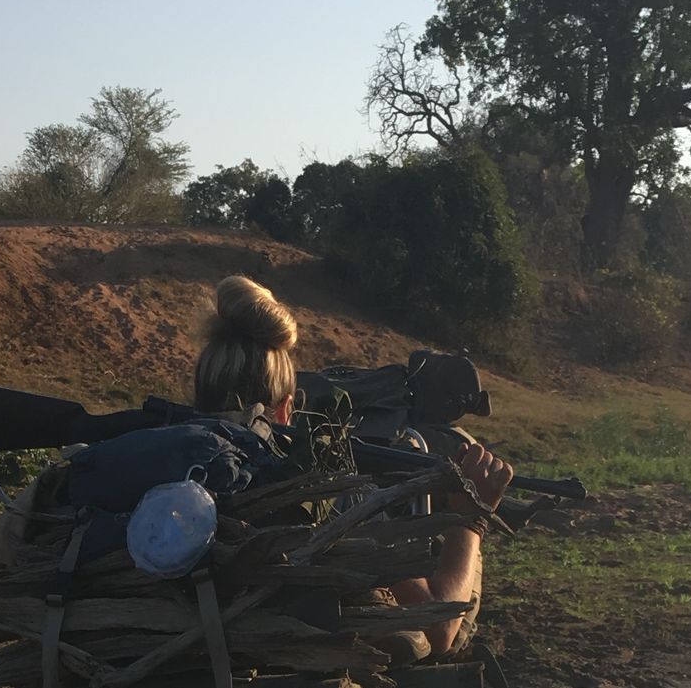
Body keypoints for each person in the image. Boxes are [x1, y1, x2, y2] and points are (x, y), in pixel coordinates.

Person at [193, 274, 514, 660]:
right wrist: (471, 519)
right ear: (285, 409)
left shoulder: (161, 462)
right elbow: (439, 626)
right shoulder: (321, 492)